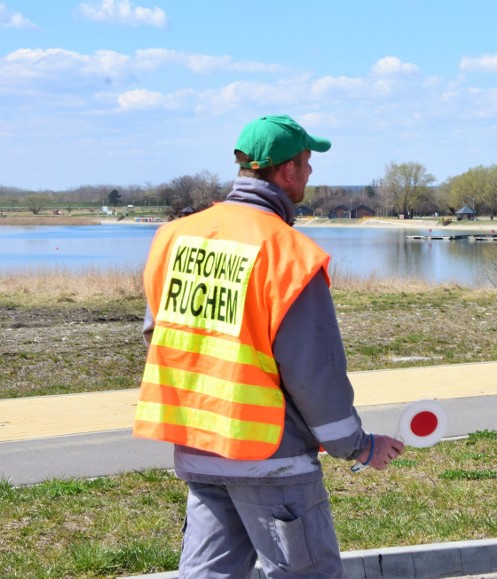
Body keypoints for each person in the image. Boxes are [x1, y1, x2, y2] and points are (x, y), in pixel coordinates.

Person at [133, 114, 405, 578]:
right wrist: (357, 446)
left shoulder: (174, 238)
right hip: (271, 462)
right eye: (307, 161)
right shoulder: (289, 254)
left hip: (200, 448)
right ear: (286, 171)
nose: (312, 172)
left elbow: (158, 336)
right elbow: (314, 374)